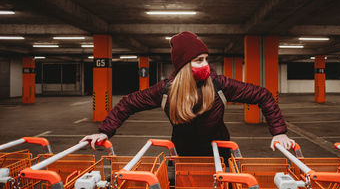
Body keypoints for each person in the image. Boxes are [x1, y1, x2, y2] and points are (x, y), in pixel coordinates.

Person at [81, 31, 294, 160]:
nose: (206, 65)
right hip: (182, 155)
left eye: (206, 59)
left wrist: (279, 132)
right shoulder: (165, 91)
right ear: (184, 65)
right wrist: (104, 132)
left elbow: (263, 95)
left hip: (220, 152)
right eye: (199, 60)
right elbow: (128, 103)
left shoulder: (220, 84)